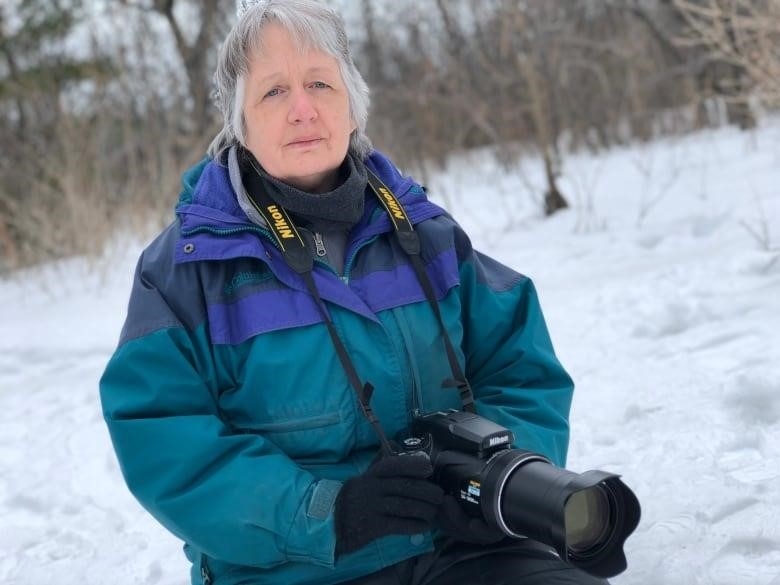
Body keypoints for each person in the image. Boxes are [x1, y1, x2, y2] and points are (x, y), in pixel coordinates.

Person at [99, 1, 609, 584]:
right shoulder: (185, 271)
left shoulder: (427, 234)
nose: (302, 110)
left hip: (464, 549)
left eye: (320, 83)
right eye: (273, 92)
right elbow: (162, 435)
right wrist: (329, 514)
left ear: (352, 106)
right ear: (238, 120)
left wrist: (491, 485)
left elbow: (522, 370)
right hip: (291, 569)